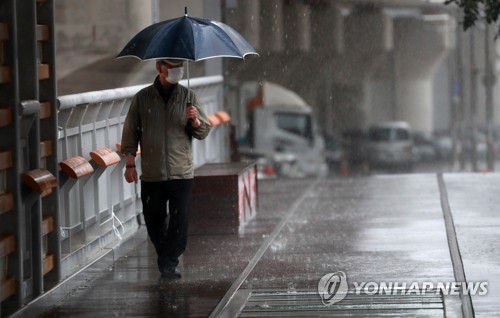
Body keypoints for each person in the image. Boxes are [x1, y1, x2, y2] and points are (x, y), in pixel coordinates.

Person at [120, 59, 211, 279]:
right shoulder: (142, 98)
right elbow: (130, 133)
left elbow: (204, 131)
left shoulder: (189, 97)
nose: (176, 71)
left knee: (180, 220)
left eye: (179, 66)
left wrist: (196, 121)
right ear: (160, 68)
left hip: (181, 172)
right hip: (153, 173)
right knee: (153, 219)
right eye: (171, 66)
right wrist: (130, 164)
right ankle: (165, 254)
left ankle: (169, 262)